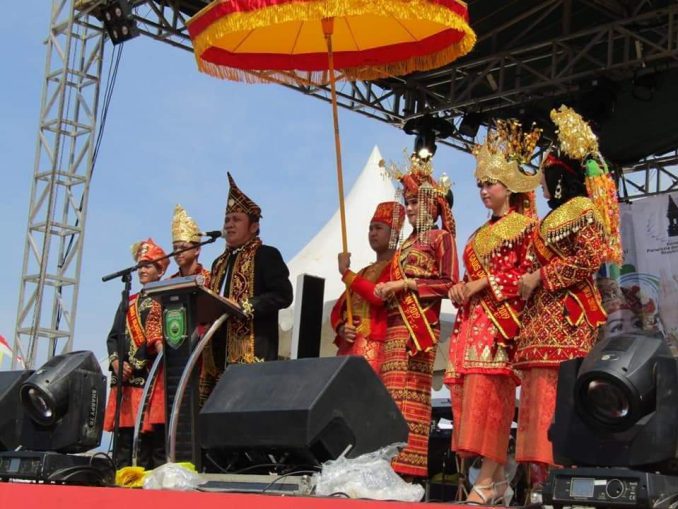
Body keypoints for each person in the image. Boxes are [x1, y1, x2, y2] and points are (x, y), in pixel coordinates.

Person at [515, 105, 622, 478]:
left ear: (558, 178)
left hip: (567, 320)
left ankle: (559, 475)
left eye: (544, 177)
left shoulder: (582, 209)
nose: (541, 185)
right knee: (535, 400)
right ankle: (536, 479)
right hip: (540, 322)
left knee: (556, 396)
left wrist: (542, 276)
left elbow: (590, 258)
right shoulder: (550, 217)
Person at [444, 120, 542, 504]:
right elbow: (470, 278)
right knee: (472, 398)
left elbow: (528, 276)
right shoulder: (477, 234)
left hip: (501, 325)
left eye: (491, 184)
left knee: (491, 400)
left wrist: (483, 284)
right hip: (472, 323)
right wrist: (460, 288)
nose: (485, 191)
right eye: (481, 185)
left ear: (510, 186)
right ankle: (497, 479)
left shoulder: (527, 227)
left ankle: (485, 480)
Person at [375, 156, 459, 479]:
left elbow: (449, 283)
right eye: (407, 203)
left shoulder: (441, 239)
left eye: (415, 203)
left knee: (412, 398)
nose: (409, 209)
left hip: (418, 330)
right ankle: (387, 468)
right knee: (390, 399)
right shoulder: (406, 244)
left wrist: (406, 284)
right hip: (395, 329)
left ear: (433, 206)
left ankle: (407, 472)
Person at [200, 173, 293, 403]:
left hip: (253, 357)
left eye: (236, 219)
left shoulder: (266, 255)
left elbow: (284, 294)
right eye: (226, 220)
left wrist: (246, 306)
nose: (229, 224)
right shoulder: (218, 263)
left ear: (254, 226)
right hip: (217, 360)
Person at [104, 238, 170, 469]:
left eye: (148, 266)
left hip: (148, 376)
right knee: (123, 438)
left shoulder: (164, 299)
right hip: (124, 378)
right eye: (140, 266)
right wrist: (115, 362)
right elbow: (113, 336)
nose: (142, 270)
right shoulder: (128, 302)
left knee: (147, 440)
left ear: (160, 271)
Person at [331, 201, 405, 374]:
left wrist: (346, 273)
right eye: (370, 229)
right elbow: (337, 309)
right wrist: (341, 328)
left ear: (394, 234)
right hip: (348, 348)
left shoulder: (398, 267)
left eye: (378, 228)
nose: (372, 233)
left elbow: (377, 296)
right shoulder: (362, 273)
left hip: (376, 348)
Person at [169, 204, 211, 284]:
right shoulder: (169, 282)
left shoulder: (211, 279)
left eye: (183, 247)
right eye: (175, 248)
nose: (177, 251)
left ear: (197, 249)